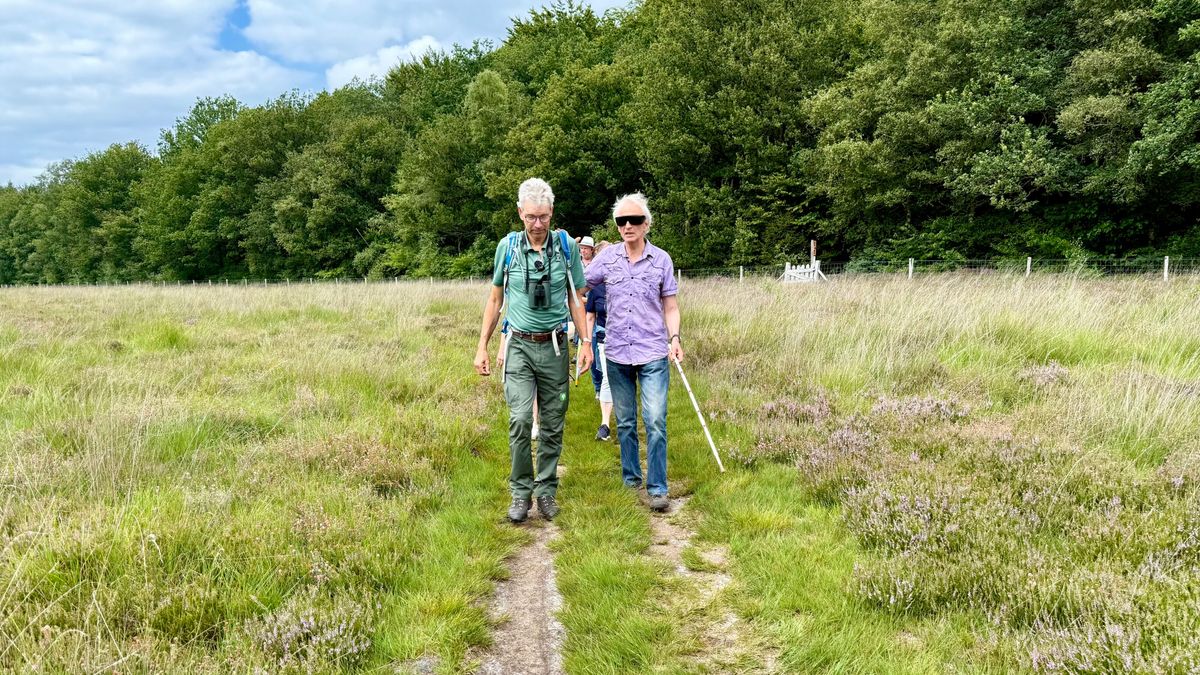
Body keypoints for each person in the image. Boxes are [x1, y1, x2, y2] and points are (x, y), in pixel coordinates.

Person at [475, 178, 592, 523]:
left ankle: (546, 491)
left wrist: (585, 343)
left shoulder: (566, 247)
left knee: (553, 422)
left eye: (543, 217)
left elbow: (576, 297)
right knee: (521, 420)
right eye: (531, 218)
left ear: (551, 213)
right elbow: (496, 299)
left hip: (555, 347)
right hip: (519, 348)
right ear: (520, 213)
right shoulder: (507, 247)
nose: (538, 225)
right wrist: (482, 345)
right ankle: (520, 492)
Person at [583, 193, 681, 512]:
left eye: (635, 220)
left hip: (653, 350)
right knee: (625, 421)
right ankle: (631, 479)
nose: (628, 226)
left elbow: (670, 305)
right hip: (616, 352)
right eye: (621, 221)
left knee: (654, 419)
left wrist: (675, 337)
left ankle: (658, 487)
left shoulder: (662, 260)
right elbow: (581, 283)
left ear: (646, 224)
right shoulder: (608, 257)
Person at [585, 241, 612, 440]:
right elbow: (590, 316)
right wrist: (587, 343)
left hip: (633, 340)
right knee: (607, 379)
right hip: (604, 338)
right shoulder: (596, 288)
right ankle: (605, 424)